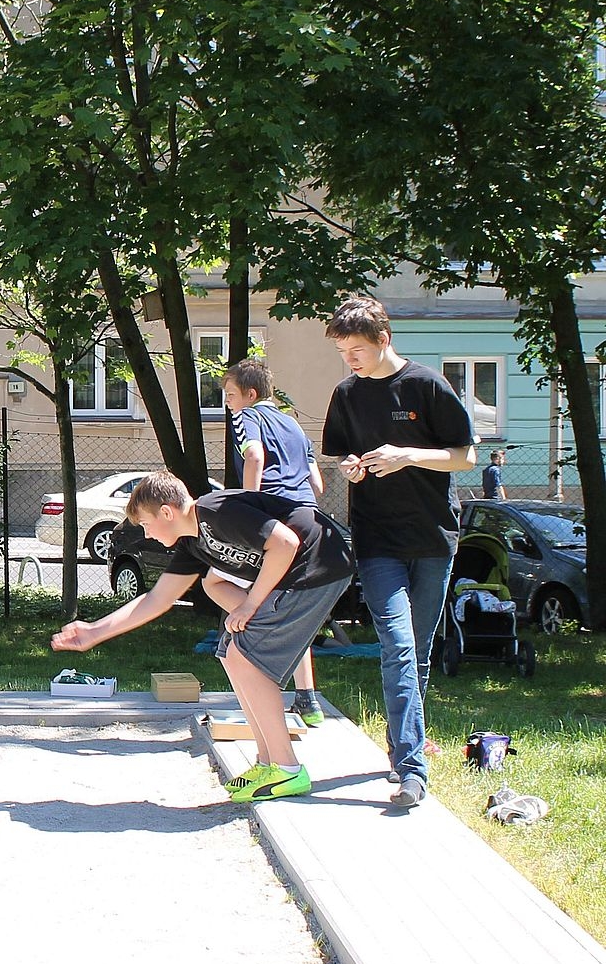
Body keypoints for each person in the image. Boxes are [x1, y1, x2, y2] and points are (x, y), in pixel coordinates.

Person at [52, 472, 355, 801]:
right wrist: (95, 631)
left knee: (245, 657)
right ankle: (268, 761)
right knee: (230, 652)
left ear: (166, 512)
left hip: (318, 563)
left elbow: (285, 543)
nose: (147, 534)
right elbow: (158, 599)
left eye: (147, 525)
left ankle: (287, 768)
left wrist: (250, 604)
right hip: (297, 573)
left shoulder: (216, 511)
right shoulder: (192, 543)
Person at [322, 296, 476, 809]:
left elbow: (465, 457)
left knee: (419, 653)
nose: (350, 360)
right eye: (343, 352)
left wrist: (407, 455)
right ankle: (412, 769)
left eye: (357, 350)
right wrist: (351, 468)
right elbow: (341, 454)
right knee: (398, 646)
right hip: (376, 540)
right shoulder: (346, 394)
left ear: (384, 339)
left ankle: (400, 745)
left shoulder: (427, 385)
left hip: (433, 538)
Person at [222, 358, 329, 728]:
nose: (228, 403)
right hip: (308, 517)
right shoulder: (293, 424)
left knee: (224, 587)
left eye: (231, 395)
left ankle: (256, 681)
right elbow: (317, 482)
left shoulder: (248, 417)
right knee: (291, 605)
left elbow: (254, 455)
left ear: (250, 394)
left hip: (275, 519)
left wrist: (249, 508)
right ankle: (307, 699)